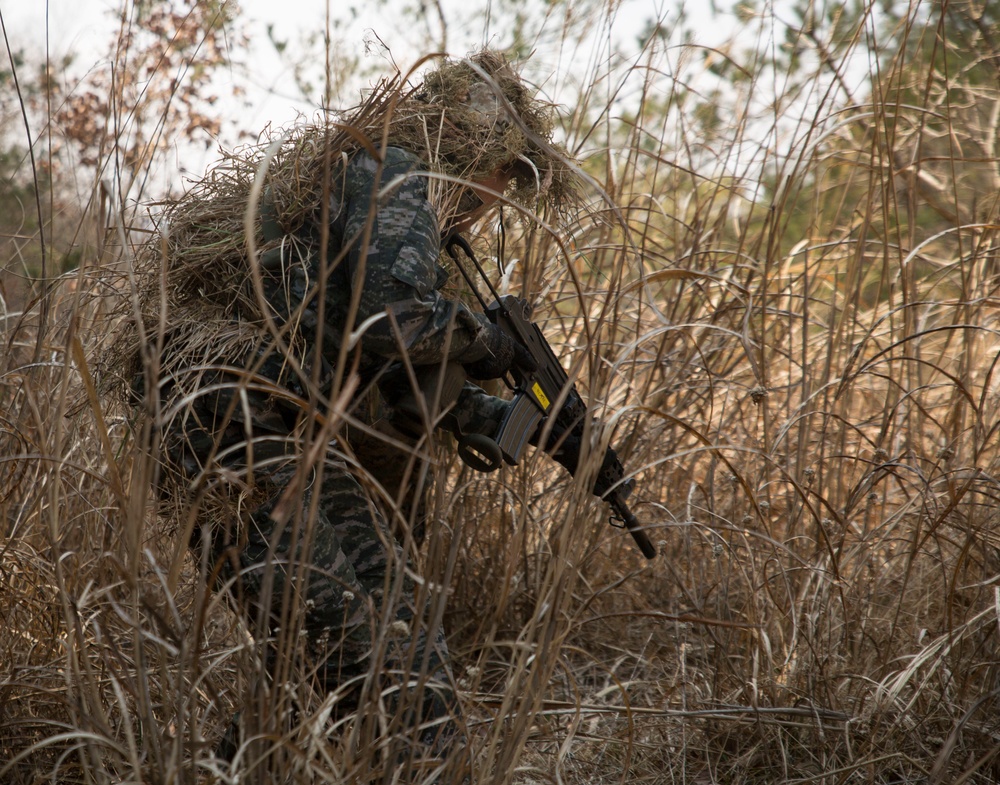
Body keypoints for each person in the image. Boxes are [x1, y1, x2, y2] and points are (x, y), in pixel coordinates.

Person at [141, 49, 579, 772]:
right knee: (396, 668)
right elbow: (390, 326)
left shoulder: (369, 174)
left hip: (246, 417)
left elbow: (351, 353)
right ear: (478, 150)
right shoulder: (397, 171)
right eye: (500, 182)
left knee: (313, 666)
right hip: (241, 421)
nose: (493, 204)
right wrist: (484, 339)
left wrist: (475, 411)